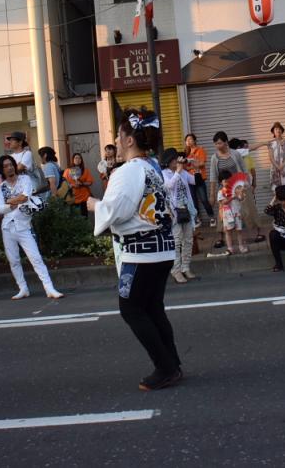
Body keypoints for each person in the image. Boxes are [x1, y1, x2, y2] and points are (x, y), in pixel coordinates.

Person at [88, 108, 182, 391]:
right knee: (152, 308)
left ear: (130, 140)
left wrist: (95, 205)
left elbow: (117, 209)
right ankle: (172, 363)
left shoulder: (128, 170)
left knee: (131, 308)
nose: (116, 140)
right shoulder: (152, 166)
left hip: (141, 251)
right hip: (162, 247)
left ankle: (165, 368)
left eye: (119, 135)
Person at [0, 155, 63, 300]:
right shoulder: (1, 188)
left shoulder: (25, 179)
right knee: (13, 260)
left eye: (11, 164)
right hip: (7, 227)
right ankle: (23, 288)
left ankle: (49, 288)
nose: (10, 167)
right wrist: (12, 203)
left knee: (35, 257)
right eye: (6, 166)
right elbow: (0, 208)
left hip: (24, 226)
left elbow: (25, 197)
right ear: (2, 170)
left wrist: (10, 201)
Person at [162, 149, 197, 284]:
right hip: (174, 211)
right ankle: (176, 270)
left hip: (186, 210)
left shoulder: (182, 172)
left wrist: (196, 167)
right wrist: (178, 172)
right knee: (177, 241)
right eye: (175, 159)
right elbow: (169, 186)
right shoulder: (164, 174)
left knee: (188, 240)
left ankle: (186, 267)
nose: (177, 161)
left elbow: (194, 181)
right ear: (169, 161)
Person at [208, 132, 247, 246]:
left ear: (226, 142)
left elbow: (243, 169)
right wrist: (212, 194)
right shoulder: (214, 158)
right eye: (215, 144)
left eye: (219, 143)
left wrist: (244, 186)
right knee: (223, 213)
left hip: (237, 188)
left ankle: (240, 240)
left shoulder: (235, 154)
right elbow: (213, 176)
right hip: (224, 189)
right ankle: (223, 238)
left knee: (238, 212)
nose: (217, 146)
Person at [184, 134, 215, 227]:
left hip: (199, 178)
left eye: (190, 139)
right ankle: (198, 219)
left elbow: (201, 164)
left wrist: (191, 164)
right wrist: (191, 165)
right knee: (193, 201)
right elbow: (184, 167)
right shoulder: (185, 153)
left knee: (204, 199)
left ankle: (212, 217)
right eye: (187, 140)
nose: (188, 141)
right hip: (189, 179)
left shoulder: (200, 150)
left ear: (194, 140)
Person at [216, 169, 245, 255]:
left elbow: (242, 199)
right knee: (228, 232)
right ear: (221, 182)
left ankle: (241, 246)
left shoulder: (236, 189)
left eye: (229, 180)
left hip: (237, 213)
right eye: (225, 181)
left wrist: (241, 192)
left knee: (239, 230)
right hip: (227, 215)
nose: (227, 182)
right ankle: (230, 248)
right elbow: (223, 202)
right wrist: (233, 196)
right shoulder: (220, 192)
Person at [265, 122, 285, 190]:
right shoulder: (270, 143)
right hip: (275, 167)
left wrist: (281, 166)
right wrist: (278, 167)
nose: (278, 130)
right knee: (277, 189)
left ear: (282, 130)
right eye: (276, 129)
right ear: (273, 132)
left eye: (279, 129)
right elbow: (271, 157)